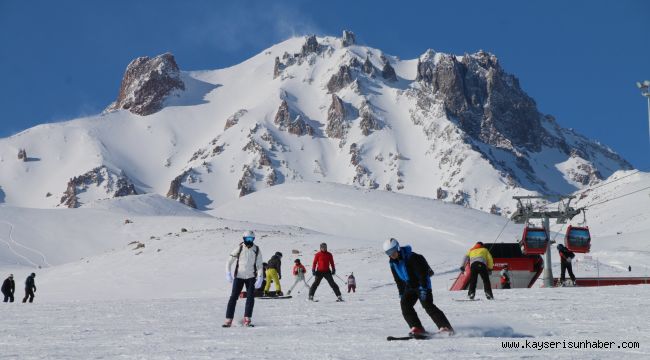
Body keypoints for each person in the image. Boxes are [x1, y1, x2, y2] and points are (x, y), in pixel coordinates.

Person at [383, 238, 453, 337]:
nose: (392, 254)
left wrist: (424, 288)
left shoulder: (412, 257)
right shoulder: (393, 263)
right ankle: (417, 327)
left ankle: (445, 327)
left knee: (427, 304)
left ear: (397, 248)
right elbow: (398, 280)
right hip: (410, 286)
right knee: (405, 304)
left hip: (422, 284)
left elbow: (423, 274)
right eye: (388, 253)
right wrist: (401, 293)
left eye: (393, 251)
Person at [224, 230, 264, 327]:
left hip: (251, 277)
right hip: (239, 277)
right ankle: (228, 319)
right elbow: (229, 261)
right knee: (233, 297)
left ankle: (247, 318)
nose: (249, 241)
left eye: (251, 239)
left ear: (253, 239)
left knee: (250, 298)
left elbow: (259, 265)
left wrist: (260, 277)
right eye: (247, 239)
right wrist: (228, 273)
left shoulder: (256, 249)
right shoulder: (240, 248)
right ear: (244, 239)